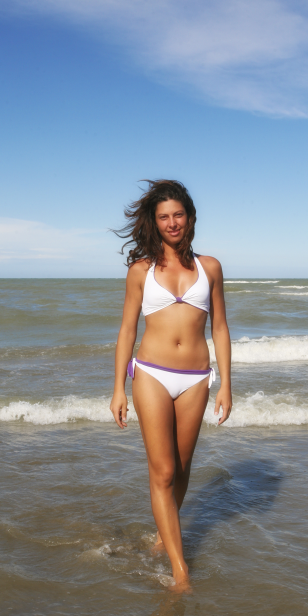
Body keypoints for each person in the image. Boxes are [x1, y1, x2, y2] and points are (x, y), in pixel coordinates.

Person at [110, 179, 232, 590]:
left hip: (197, 378)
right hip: (151, 374)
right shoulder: (140, 271)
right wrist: (117, 389)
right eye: (164, 217)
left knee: (181, 468)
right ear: (155, 222)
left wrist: (227, 384)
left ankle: (165, 536)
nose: (172, 222)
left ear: (190, 217)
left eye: (178, 214)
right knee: (162, 470)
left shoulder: (210, 267)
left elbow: (221, 328)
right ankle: (181, 572)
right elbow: (127, 330)